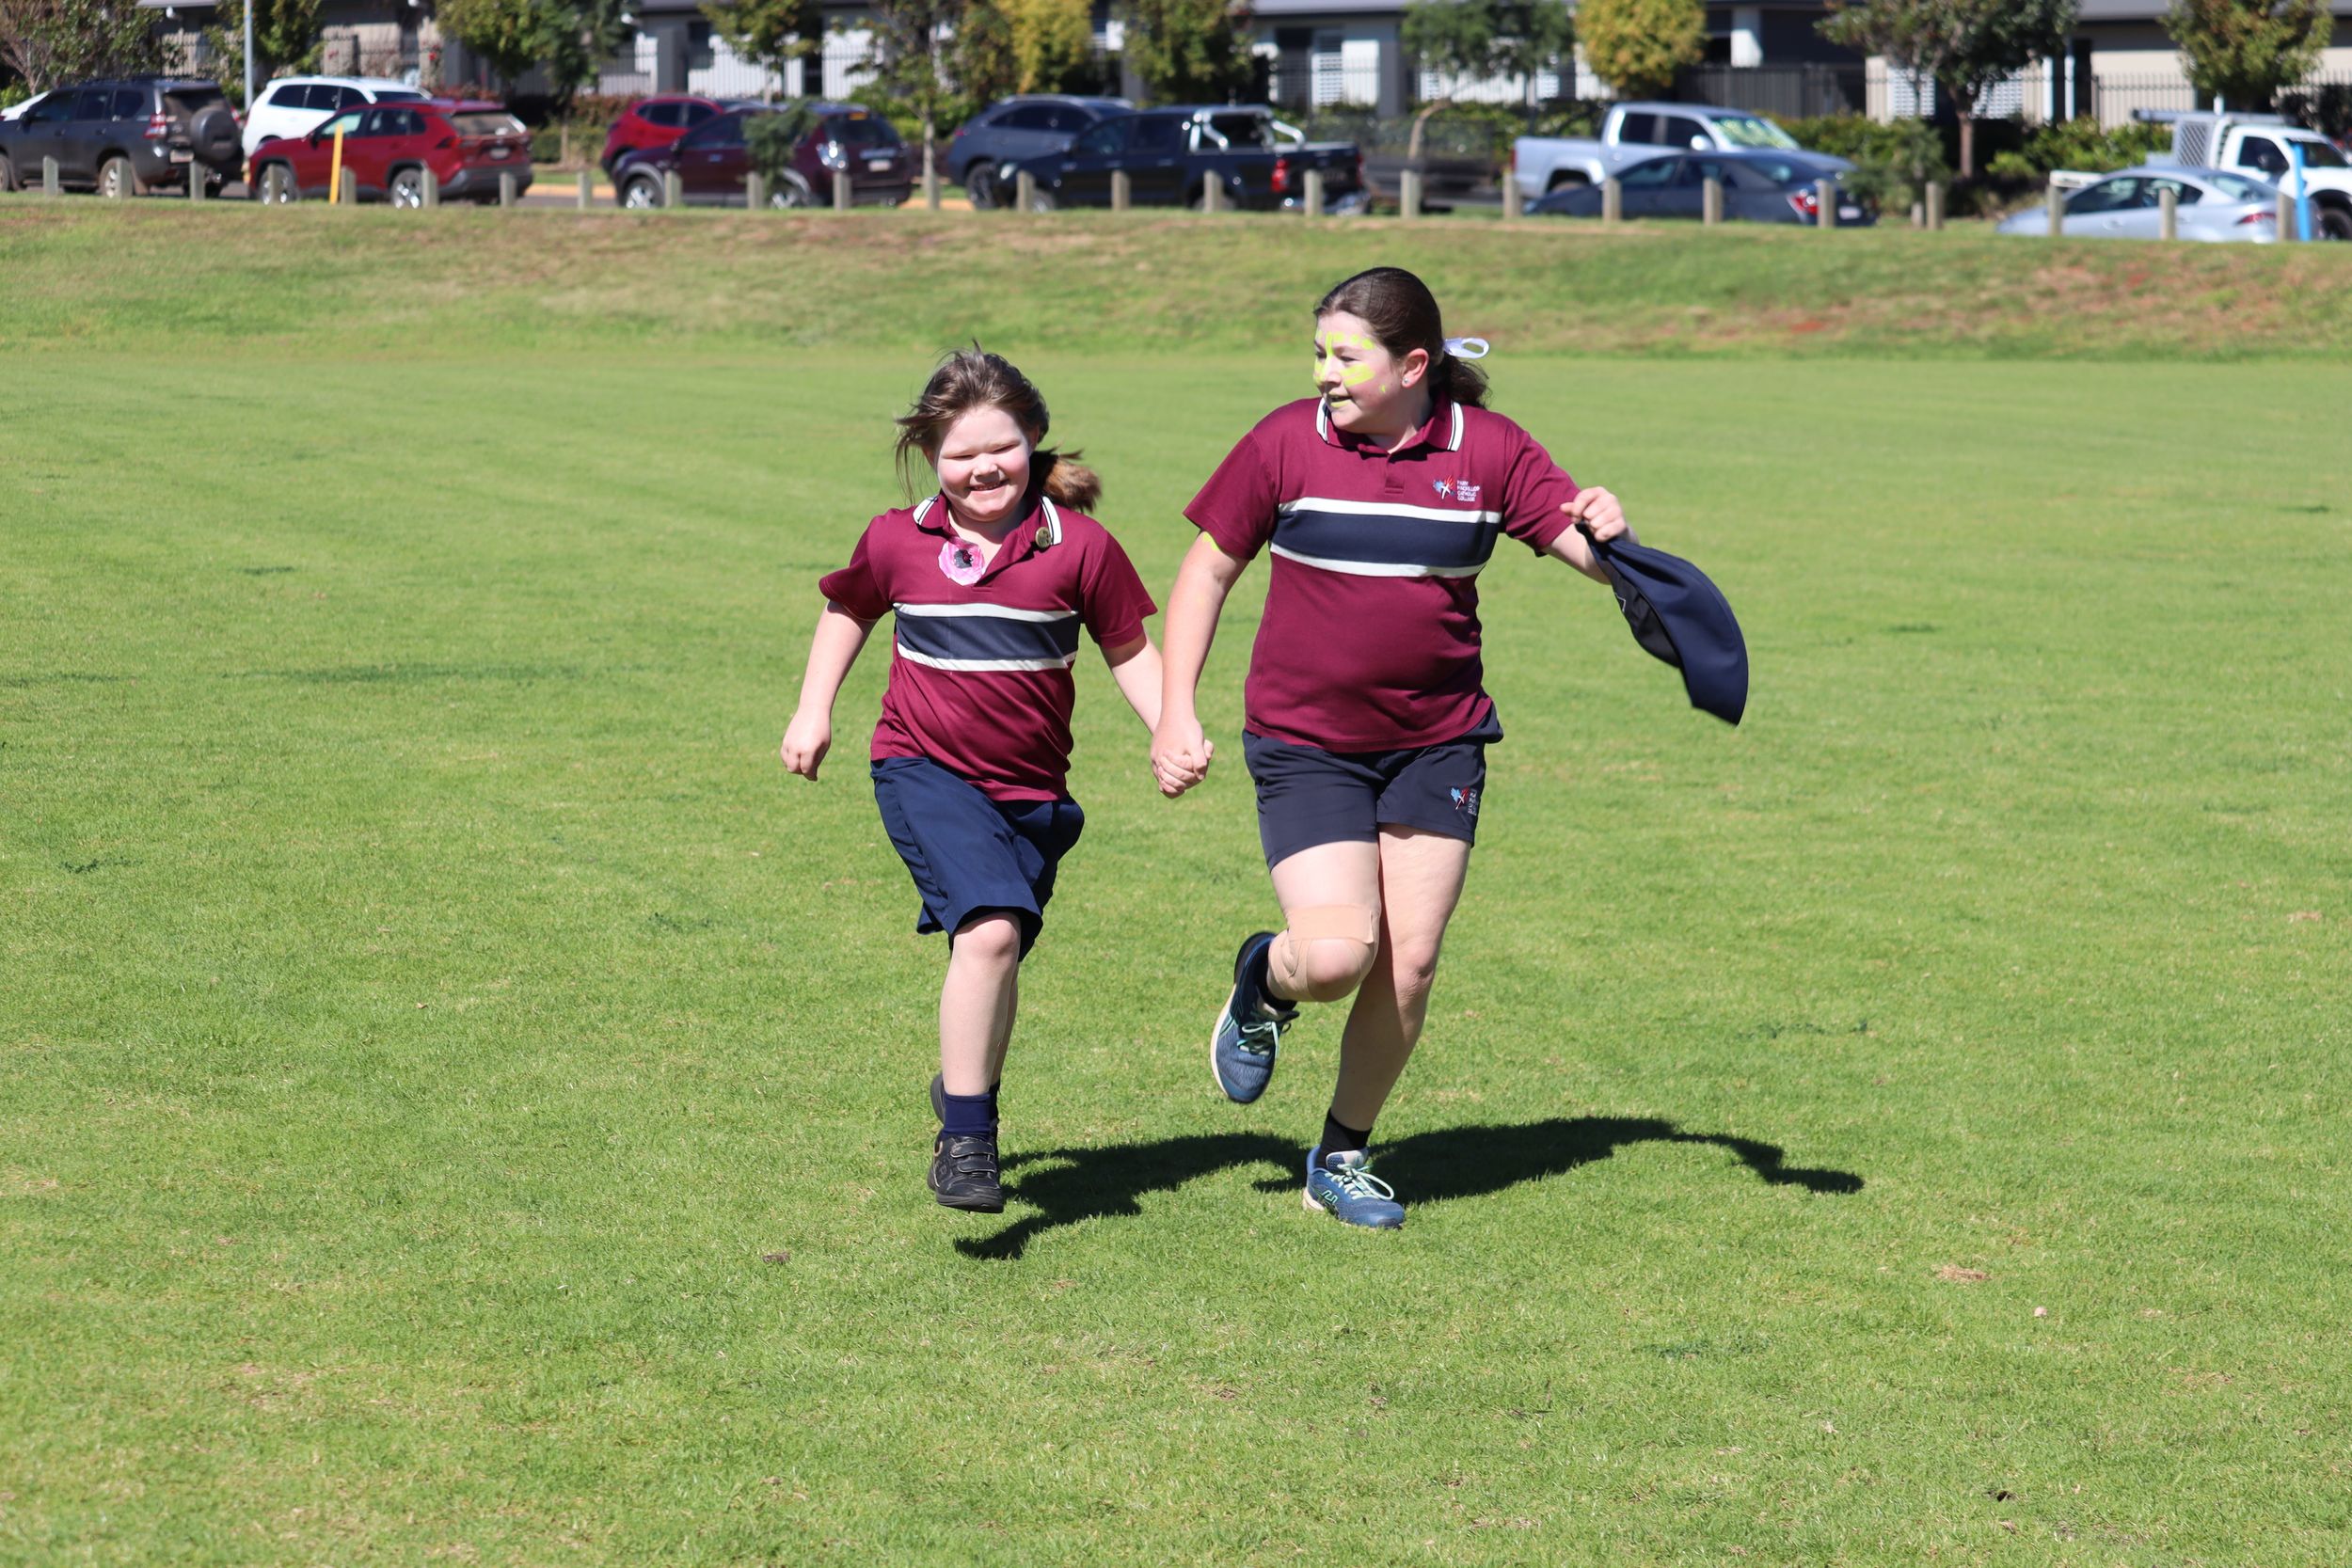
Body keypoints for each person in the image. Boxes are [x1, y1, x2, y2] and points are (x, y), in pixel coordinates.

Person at [1150, 266, 1632, 1230]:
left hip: (1436, 742)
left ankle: (1340, 1155)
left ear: (1414, 366)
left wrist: (1609, 529)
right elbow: (1206, 572)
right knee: (1334, 957)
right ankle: (1265, 978)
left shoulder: (1487, 448)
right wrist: (1174, 710)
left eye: (1345, 356)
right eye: (1318, 353)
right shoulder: (1284, 441)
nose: (1323, 373)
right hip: (1306, 742)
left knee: (1407, 965)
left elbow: (1581, 546)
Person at [781, 349, 1163, 1215]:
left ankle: (963, 1085)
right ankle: (966, 1139)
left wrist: (1171, 725)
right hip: (923, 768)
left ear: (1034, 438)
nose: (982, 468)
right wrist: (813, 710)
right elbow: (849, 610)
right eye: (960, 454)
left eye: (1000, 448)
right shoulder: (899, 538)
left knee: (996, 948)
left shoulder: (1081, 547)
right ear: (929, 455)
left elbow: (1128, 647)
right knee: (989, 934)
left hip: (1032, 793)